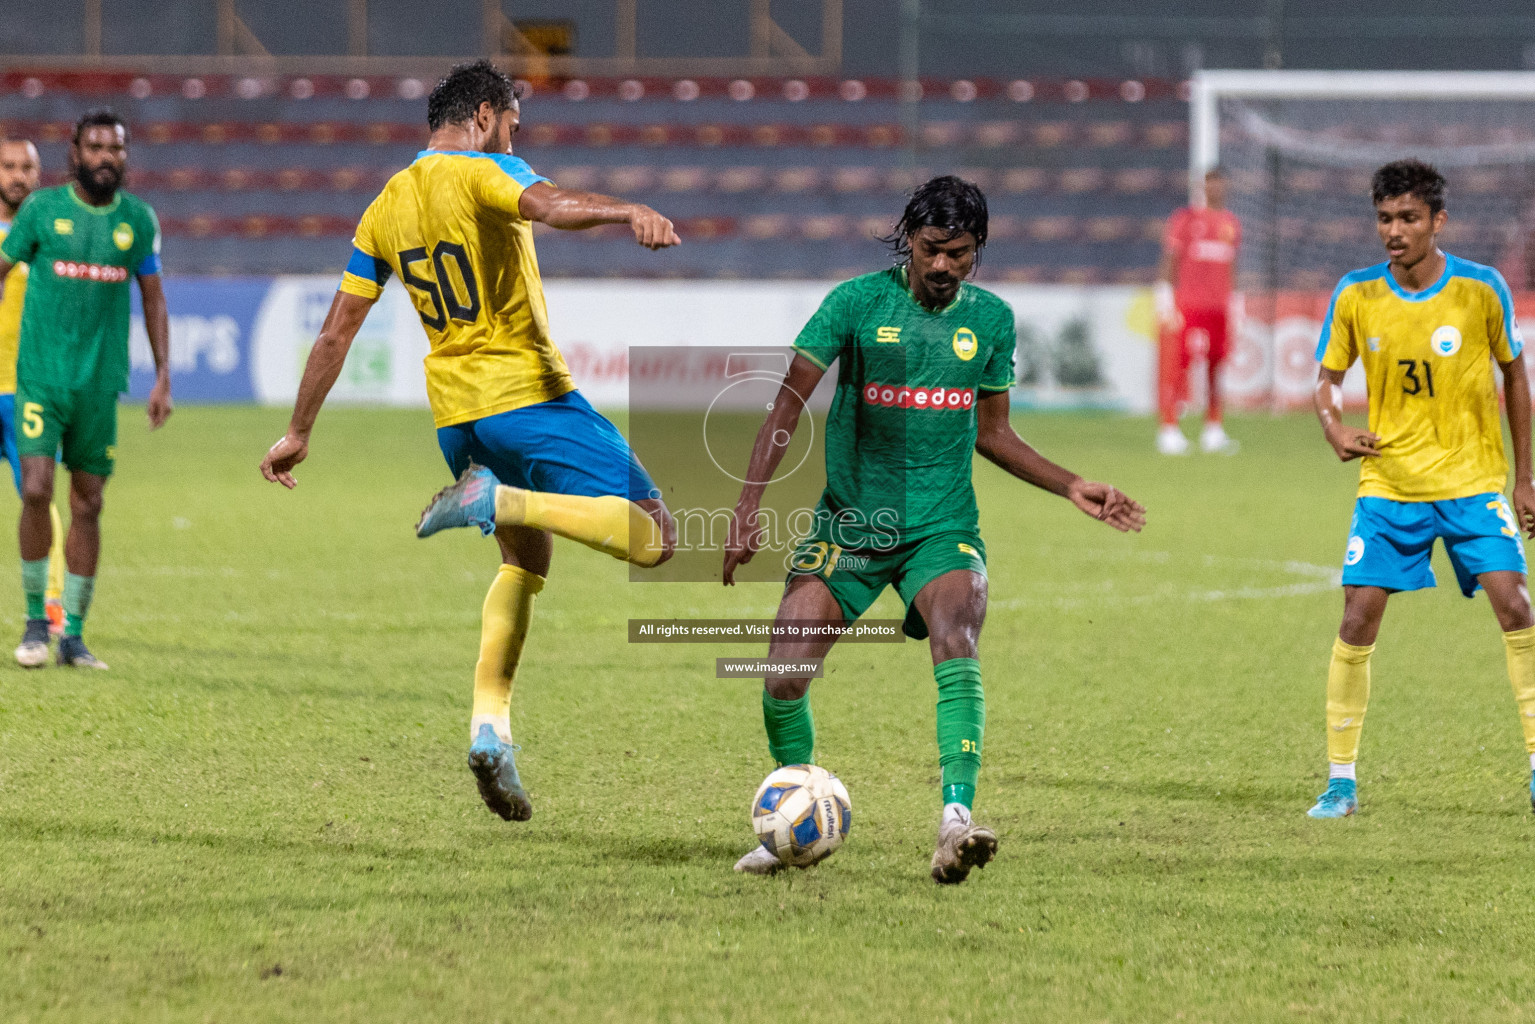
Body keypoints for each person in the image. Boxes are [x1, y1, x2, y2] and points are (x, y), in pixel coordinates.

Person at [261, 60, 679, 824]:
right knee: (656, 535)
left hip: (456, 418)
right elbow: (550, 205)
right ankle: (501, 497)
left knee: (524, 560)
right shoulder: (484, 169)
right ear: (484, 115)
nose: (516, 140)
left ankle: (491, 732)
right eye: (513, 125)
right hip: (526, 394)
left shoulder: (385, 204)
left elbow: (335, 331)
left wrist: (297, 430)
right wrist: (627, 210)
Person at [718, 176, 1146, 883]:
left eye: (962, 254)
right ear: (907, 241)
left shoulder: (991, 321)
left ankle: (955, 822)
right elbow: (785, 407)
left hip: (942, 526)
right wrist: (746, 507)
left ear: (977, 252)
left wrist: (1071, 483)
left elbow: (994, 434)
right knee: (783, 675)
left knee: (957, 638)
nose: (945, 266)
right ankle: (794, 817)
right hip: (849, 525)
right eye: (931, 250)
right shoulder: (855, 303)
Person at [1308, 159, 1535, 818]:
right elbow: (1325, 378)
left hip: (1471, 483)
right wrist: (1331, 425)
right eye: (1384, 219)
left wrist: (1523, 478)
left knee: (1515, 606)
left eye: (1407, 218)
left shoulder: (1479, 288)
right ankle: (1340, 782)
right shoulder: (1355, 293)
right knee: (1355, 617)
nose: (1393, 231)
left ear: (1438, 221)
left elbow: (1514, 377)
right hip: (1389, 485)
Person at [0, 110, 172, 669]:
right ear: (74, 152)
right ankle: (33, 623)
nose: (106, 158)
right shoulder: (43, 211)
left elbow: (153, 298)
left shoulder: (137, 221)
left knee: (89, 503)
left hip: (100, 386)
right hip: (40, 381)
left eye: (115, 149)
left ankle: (73, 634)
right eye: (95, 148)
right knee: (34, 490)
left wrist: (163, 373)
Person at [0, 138, 67, 635]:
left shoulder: (52, 236)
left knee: (39, 500)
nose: (17, 175)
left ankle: (51, 607)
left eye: (26, 167)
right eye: (8, 166)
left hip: (26, 391)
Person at [1155, 166, 1242, 456]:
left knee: (1216, 368)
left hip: (1219, 307)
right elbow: (1170, 259)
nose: (1216, 188)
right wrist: (1165, 296)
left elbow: (1231, 265)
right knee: (1179, 366)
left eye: (1220, 183)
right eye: (1210, 183)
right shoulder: (1185, 219)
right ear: (1203, 186)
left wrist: (1236, 300)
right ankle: (1169, 429)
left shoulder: (1231, 223)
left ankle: (1213, 429)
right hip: (1189, 305)